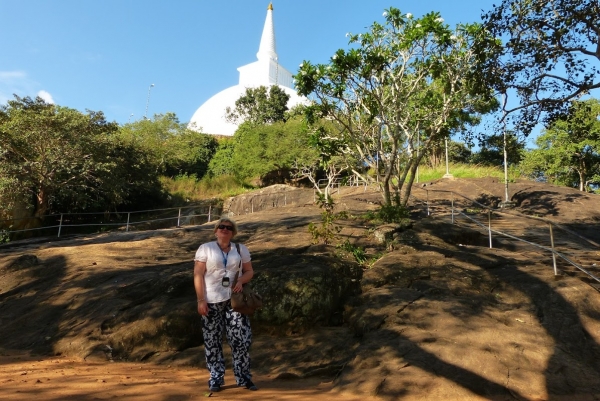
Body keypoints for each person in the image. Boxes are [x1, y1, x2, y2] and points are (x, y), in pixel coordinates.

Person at [193, 217, 258, 392]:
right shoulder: (206, 248)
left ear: (233, 232)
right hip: (211, 300)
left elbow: (249, 271)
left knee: (241, 339)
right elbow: (198, 274)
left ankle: (243, 377)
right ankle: (215, 377)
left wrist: (241, 281)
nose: (225, 229)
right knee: (212, 340)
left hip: (234, 300)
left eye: (229, 227)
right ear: (215, 230)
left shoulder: (240, 249)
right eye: (221, 227)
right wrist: (201, 300)